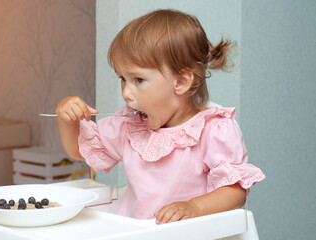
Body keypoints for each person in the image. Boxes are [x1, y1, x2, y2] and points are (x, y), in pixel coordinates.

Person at [57, 9, 265, 224]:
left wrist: (194, 207)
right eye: (122, 79)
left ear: (181, 81)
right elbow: (79, 151)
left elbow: (234, 192)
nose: (125, 93)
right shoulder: (130, 124)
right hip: (137, 232)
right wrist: (67, 121)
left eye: (138, 80)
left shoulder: (214, 130)